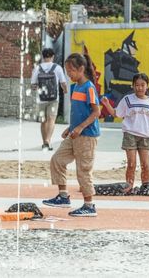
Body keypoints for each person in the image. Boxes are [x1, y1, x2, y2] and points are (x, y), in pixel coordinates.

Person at [42, 53, 100, 217]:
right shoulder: (75, 88)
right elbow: (79, 112)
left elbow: (96, 112)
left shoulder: (89, 87)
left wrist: (80, 127)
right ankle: (63, 196)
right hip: (74, 134)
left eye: (71, 71)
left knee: (83, 170)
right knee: (57, 159)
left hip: (87, 136)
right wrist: (70, 128)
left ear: (81, 69)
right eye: (67, 71)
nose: (69, 74)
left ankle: (89, 205)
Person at [101, 73, 149, 192]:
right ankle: (129, 187)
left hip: (145, 136)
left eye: (143, 85)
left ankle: (146, 187)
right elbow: (117, 114)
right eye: (137, 85)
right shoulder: (127, 99)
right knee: (131, 164)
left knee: (145, 165)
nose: (140, 88)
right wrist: (107, 104)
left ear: (147, 86)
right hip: (130, 134)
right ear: (133, 86)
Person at [31, 48, 68, 150]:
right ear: (52, 56)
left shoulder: (37, 68)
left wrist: (39, 87)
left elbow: (33, 85)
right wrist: (65, 90)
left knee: (43, 121)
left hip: (41, 98)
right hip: (54, 98)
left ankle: (44, 143)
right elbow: (63, 83)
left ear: (43, 57)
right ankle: (48, 140)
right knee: (51, 120)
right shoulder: (57, 68)